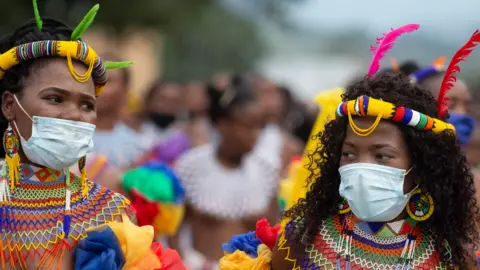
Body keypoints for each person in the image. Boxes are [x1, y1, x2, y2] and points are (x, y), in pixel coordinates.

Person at [220, 26, 480, 269]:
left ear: (419, 166)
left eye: (382, 156)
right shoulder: (300, 240)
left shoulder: (451, 256)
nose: (361, 166)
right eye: (349, 154)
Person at [0, 3, 184, 269]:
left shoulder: (112, 209)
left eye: (86, 105)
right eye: (55, 98)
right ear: (9, 105)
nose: (75, 115)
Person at [171, 75, 279, 269]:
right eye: (247, 126)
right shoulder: (190, 166)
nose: (255, 135)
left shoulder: (267, 171)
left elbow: (274, 234)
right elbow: (172, 229)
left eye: (259, 127)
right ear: (223, 125)